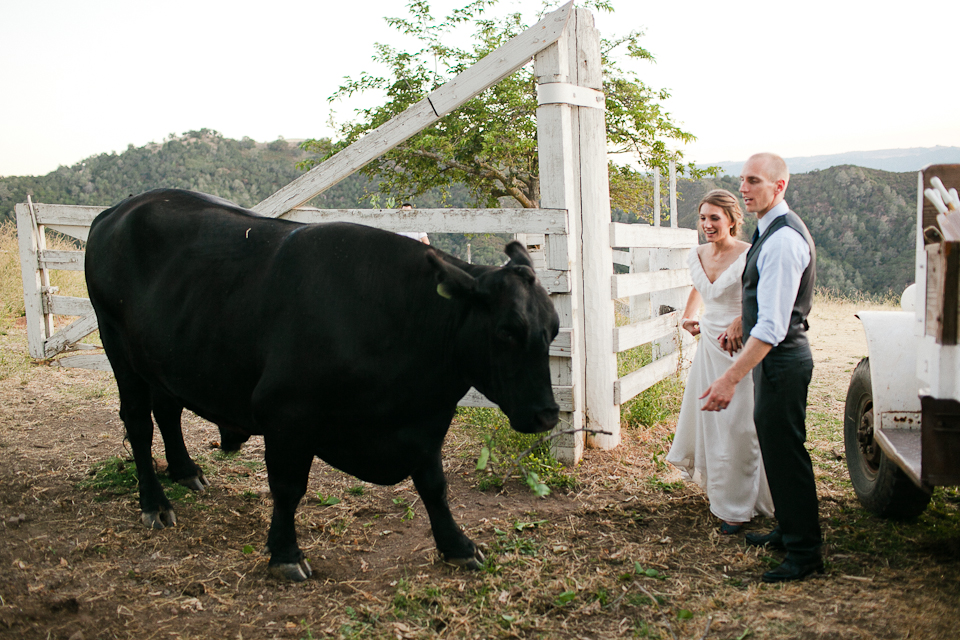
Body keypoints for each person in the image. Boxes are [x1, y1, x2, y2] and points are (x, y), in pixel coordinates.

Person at [701, 153, 822, 583]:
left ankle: (804, 553)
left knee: (787, 455)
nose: (745, 188)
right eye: (743, 180)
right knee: (774, 448)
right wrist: (739, 320)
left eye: (754, 180)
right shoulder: (768, 231)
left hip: (783, 360)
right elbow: (764, 305)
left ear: (779, 186)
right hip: (774, 359)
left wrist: (729, 379)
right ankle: (788, 532)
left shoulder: (785, 240)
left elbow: (772, 326)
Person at [667, 189, 774, 535]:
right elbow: (700, 288)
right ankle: (719, 491)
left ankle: (739, 507)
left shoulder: (748, 254)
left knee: (739, 424)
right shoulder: (697, 254)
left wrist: (741, 319)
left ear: (732, 220)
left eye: (714, 218)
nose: (707, 224)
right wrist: (688, 317)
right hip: (707, 345)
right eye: (702, 217)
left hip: (737, 344)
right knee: (711, 421)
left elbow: (759, 294)